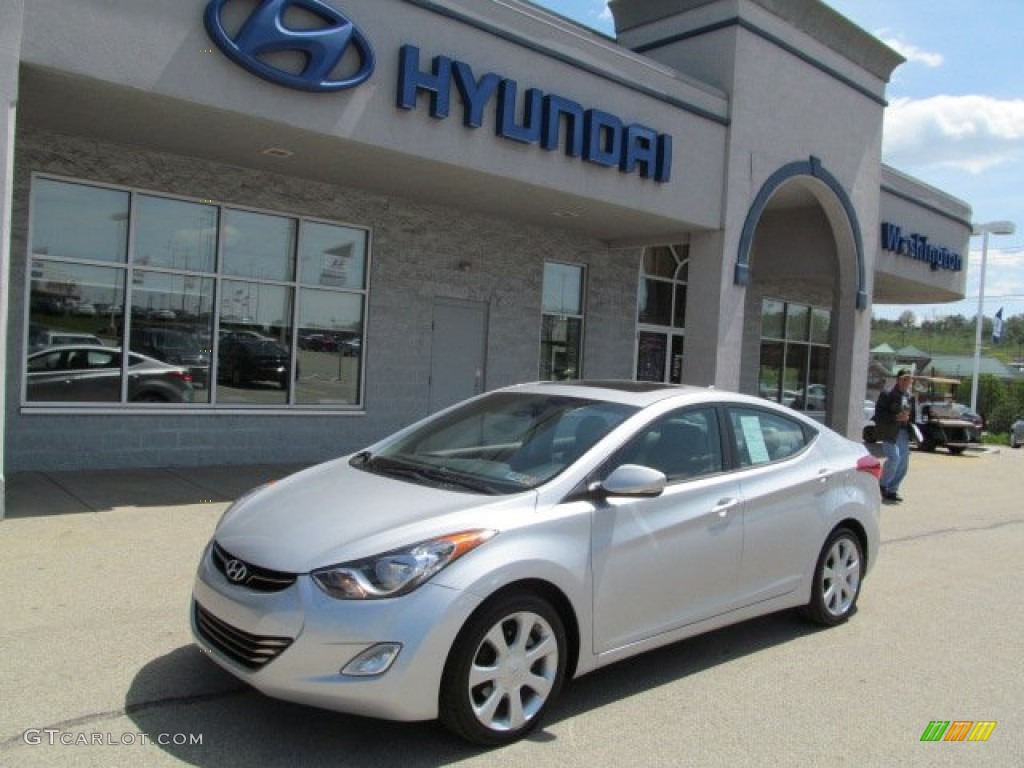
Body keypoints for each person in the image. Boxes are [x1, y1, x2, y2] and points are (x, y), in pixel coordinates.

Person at [874, 369, 915, 503]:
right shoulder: (887, 394)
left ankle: (892, 490)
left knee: (903, 463)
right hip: (890, 431)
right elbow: (879, 414)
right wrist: (894, 417)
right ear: (898, 380)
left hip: (903, 432)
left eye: (909, 380)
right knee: (894, 458)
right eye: (904, 379)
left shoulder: (909, 397)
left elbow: (912, 416)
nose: (906, 382)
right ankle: (882, 484)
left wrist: (908, 419)